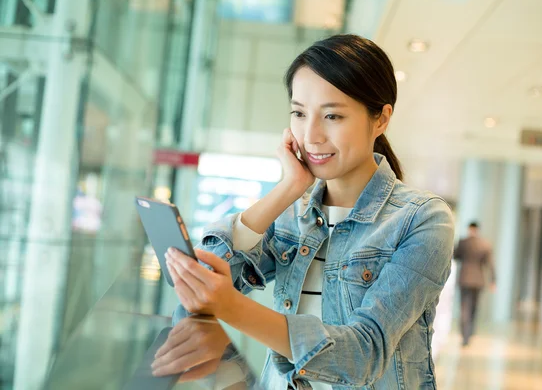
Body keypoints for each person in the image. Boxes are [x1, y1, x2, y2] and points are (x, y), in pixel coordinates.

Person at [156, 34, 455, 389]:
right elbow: (203, 281)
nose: (311, 135)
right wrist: (287, 189)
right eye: (299, 113)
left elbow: (363, 353)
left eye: (332, 115)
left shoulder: (422, 220)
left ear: (380, 119)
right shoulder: (291, 212)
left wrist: (230, 306)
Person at [453, 222, 496, 347]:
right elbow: (490, 264)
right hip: (478, 280)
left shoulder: (463, 242)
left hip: (465, 279)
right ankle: (470, 333)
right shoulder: (485, 244)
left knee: (464, 308)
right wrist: (493, 280)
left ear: (469, 229)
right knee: (474, 308)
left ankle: (465, 336)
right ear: (478, 230)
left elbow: (455, 256)